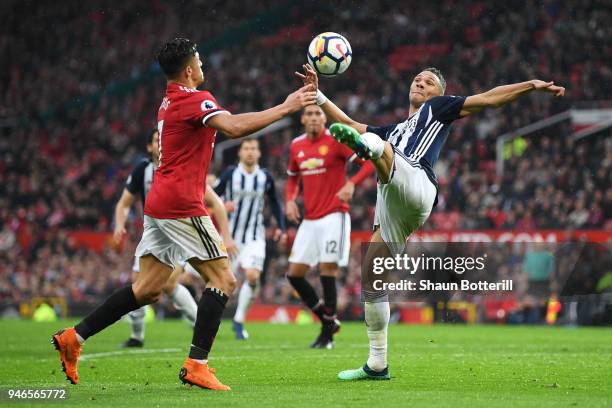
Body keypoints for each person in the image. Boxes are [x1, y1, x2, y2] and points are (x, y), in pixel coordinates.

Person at [51, 37, 316, 391]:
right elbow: (234, 127)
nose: (203, 66)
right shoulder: (195, 99)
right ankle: (197, 364)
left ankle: (75, 336)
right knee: (223, 280)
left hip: (160, 202)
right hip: (181, 204)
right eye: (200, 62)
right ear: (189, 70)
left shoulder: (169, 100)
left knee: (146, 289)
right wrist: (287, 107)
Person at [297, 63, 564, 379]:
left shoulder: (439, 108)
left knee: (378, 147)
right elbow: (351, 123)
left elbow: (489, 99)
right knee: (372, 278)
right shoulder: (396, 129)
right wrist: (320, 95)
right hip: (394, 201)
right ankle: (377, 364)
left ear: (440, 92)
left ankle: (365, 151)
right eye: (417, 79)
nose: (421, 83)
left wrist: (530, 84)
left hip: (418, 182)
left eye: (429, 81)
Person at [112, 128, 237, 347]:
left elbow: (211, 200)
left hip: (180, 233)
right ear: (150, 147)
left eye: (163, 139)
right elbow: (124, 202)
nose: (160, 144)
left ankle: (199, 327)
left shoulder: (181, 166)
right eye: (155, 141)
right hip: (154, 235)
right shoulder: (143, 169)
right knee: (140, 284)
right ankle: (137, 336)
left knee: (169, 283)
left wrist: (224, 233)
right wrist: (119, 225)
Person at [285, 104, 375, 349]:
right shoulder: (296, 145)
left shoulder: (336, 140)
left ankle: (327, 334)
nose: (314, 117)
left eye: (318, 114)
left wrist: (352, 183)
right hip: (310, 219)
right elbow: (292, 176)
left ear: (324, 118)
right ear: (303, 119)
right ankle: (329, 319)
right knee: (294, 274)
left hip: (335, 216)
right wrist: (290, 200)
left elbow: (368, 162)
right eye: (310, 114)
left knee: (327, 270)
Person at [213, 138, 286, 339]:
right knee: (222, 282)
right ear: (240, 153)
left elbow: (275, 202)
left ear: (259, 153)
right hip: (229, 238)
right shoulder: (230, 174)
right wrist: (221, 204)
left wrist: (280, 226)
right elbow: (210, 197)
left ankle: (238, 320)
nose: (250, 152)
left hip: (255, 237)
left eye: (253, 148)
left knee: (253, 276)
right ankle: (209, 320)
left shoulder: (265, 177)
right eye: (246, 148)